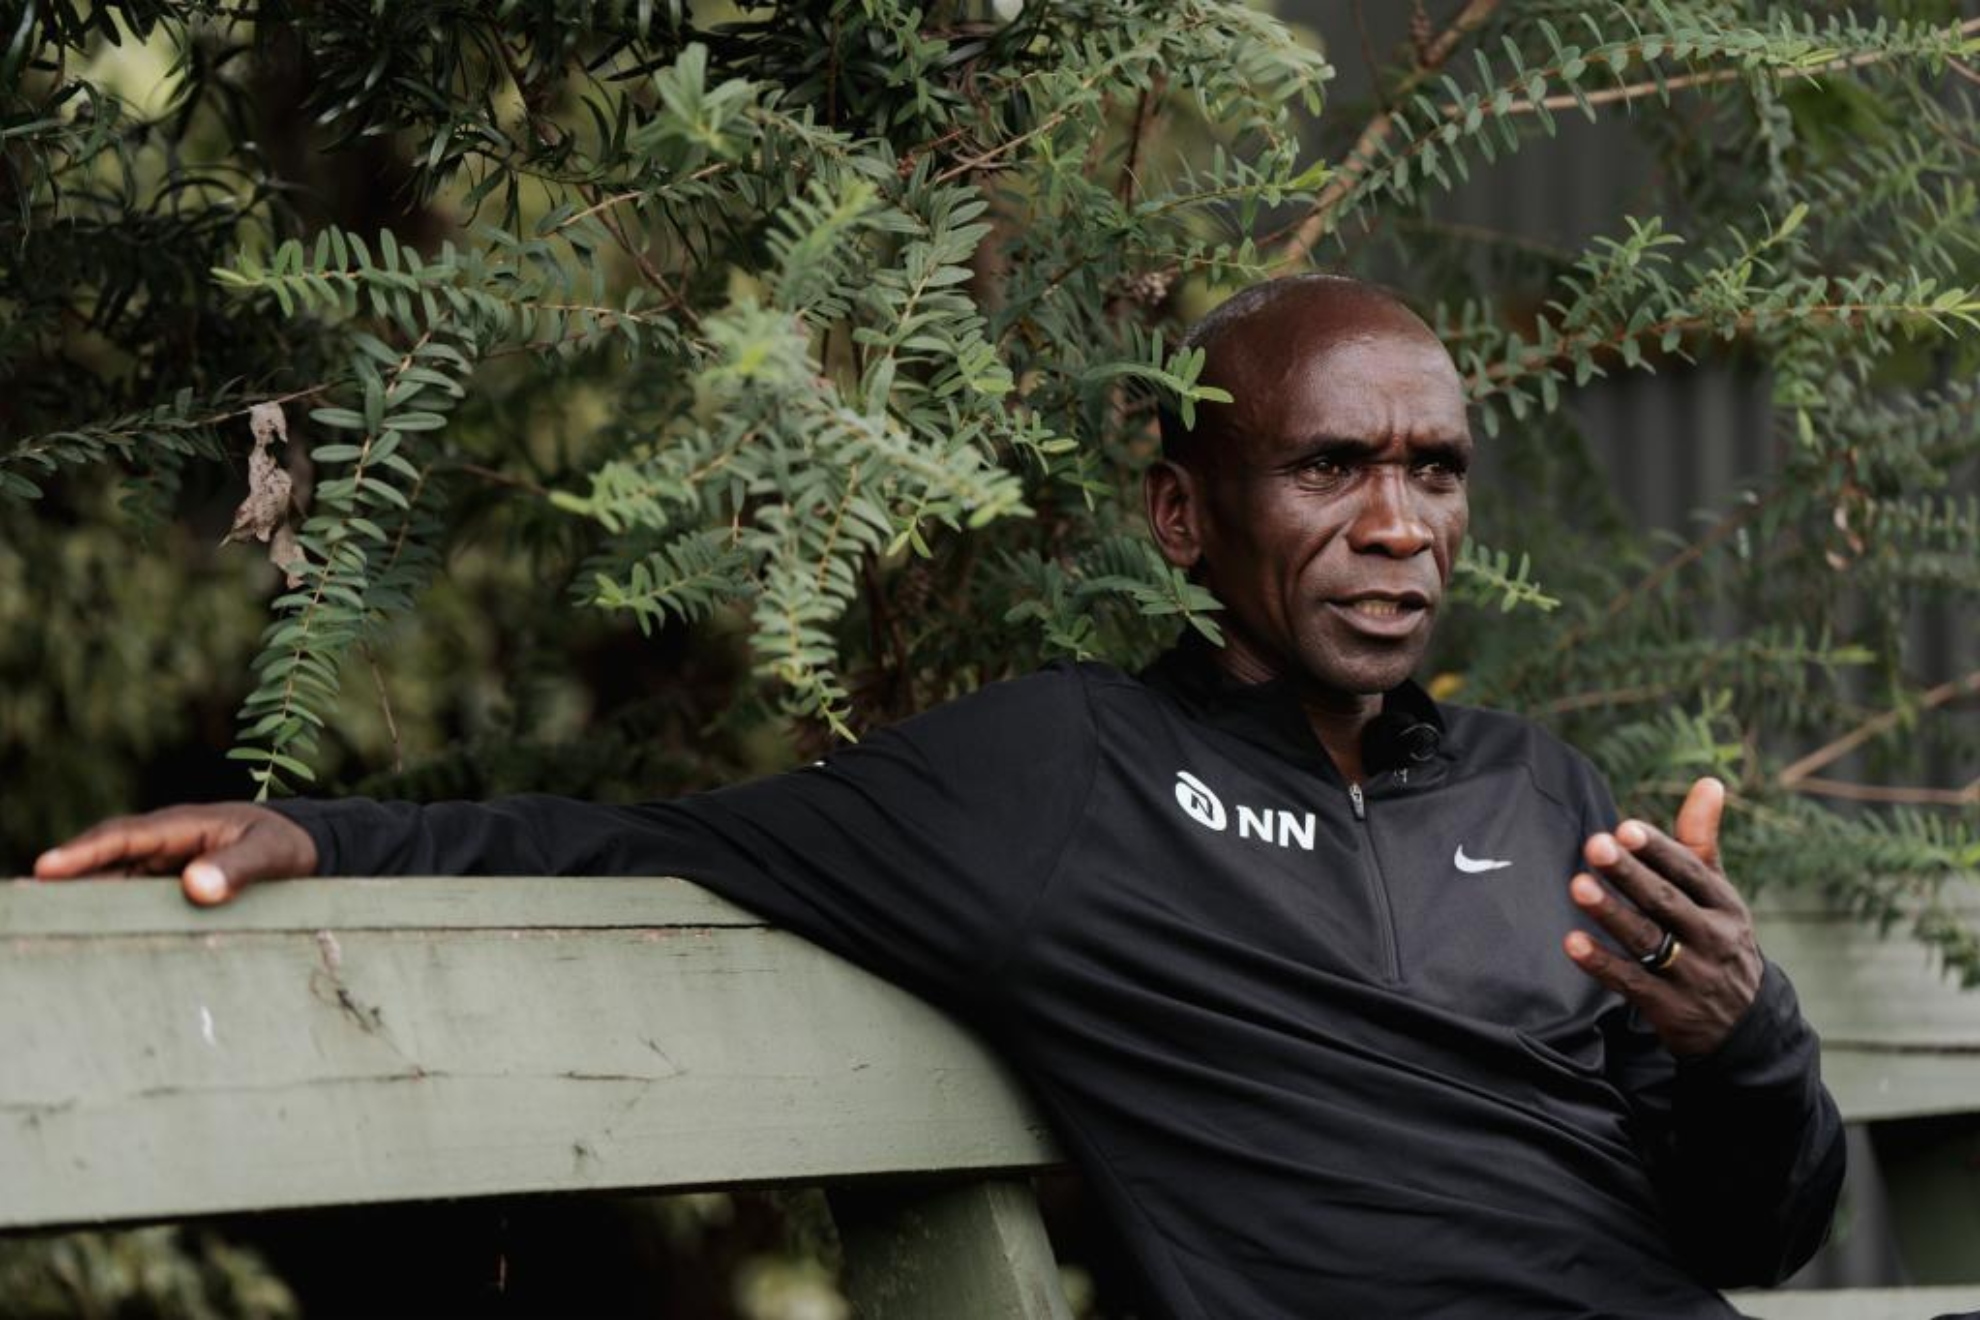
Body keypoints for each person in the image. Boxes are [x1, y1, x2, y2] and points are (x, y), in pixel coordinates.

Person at [36, 275, 1844, 1318]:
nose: (1397, 526)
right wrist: (323, 835)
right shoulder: (1061, 784)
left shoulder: (1551, 801)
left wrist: (1739, 1037)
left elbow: (1758, 1237)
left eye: (1435, 472)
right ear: (1182, 518)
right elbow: (665, 844)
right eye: (1330, 468)